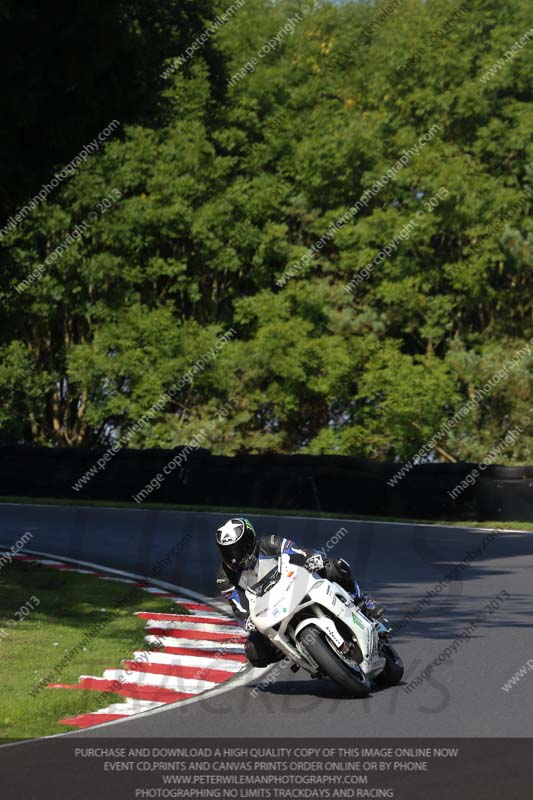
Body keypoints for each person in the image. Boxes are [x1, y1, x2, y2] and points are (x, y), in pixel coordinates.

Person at [215, 517, 384, 667]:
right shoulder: (225, 578)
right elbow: (239, 607)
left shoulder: (269, 543)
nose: (233, 558)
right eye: (227, 552)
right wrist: (247, 621)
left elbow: (297, 551)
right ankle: (295, 651)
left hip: (295, 587)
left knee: (334, 566)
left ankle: (363, 601)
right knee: (253, 651)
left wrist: (311, 558)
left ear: (250, 541)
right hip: (270, 610)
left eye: (237, 549)